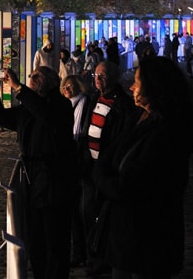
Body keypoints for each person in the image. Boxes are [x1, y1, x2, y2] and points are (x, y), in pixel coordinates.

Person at [93, 56, 193, 279]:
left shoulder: (168, 132)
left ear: (154, 87)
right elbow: (110, 154)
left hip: (148, 237)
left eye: (137, 82)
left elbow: (129, 185)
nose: (131, 87)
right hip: (126, 235)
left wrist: (103, 179)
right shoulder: (139, 117)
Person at [0, 66, 76, 279]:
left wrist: (19, 87)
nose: (31, 79)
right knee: (35, 239)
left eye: (37, 77)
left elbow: (46, 117)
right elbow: (0, 117)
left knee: (55, 240)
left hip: (55, 179)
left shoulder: (60, 105)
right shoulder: (29, 106)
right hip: (32, 179)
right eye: (30, 76)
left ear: (52, 82)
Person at [81, 61, 136, 277]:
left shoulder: (122, 104)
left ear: (113, 78)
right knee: (87, 213)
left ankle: (101, 260)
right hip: (89, 167)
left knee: (103, 217)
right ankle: (92, 257)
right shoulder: (94, 98)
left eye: (102, 76)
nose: (97, 79)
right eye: (96, 75)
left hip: (107, 170)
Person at [60, 75, 94, 268]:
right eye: (65, 86)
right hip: (69, 160)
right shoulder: (60, 105)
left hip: (82, 160)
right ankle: (79, 251)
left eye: (71, 86)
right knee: (73, 211)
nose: (68, 89)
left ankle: (87, 251)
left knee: (84, 209)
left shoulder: (86, 103)